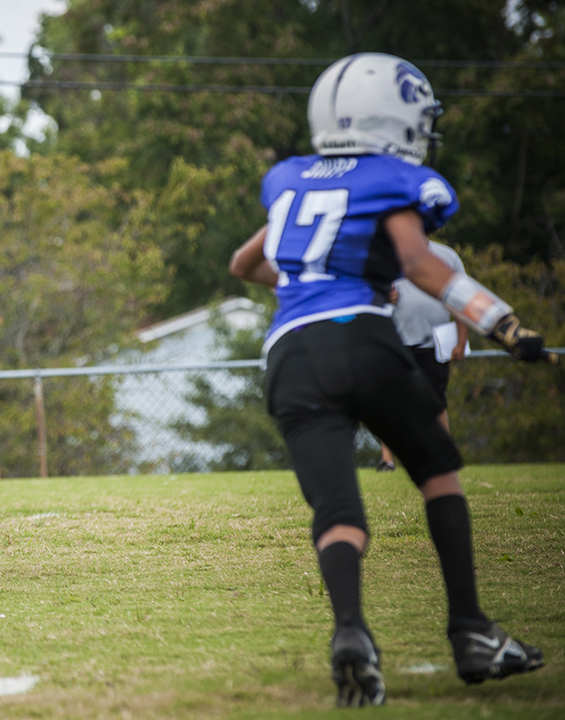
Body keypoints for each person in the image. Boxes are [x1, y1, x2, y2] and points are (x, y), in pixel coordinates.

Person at [228, 53, 549, 707]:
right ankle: (471, 630)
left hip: (289, 352)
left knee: (338, 510)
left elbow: (244, 263)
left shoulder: (290, 178)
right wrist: (504, 323)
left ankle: (352, 635)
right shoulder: (390, 177)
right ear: (398, 116)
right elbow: (420, 264)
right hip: (363, 338)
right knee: (436, 471)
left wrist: (305, 290)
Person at [378, 240, 469, 472]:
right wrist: (384, 297)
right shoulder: (385, 252)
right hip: (394, 341)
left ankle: (445, 453)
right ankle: (387, 461)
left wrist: (460, 341)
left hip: (433, 342)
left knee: (436, 400)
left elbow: (463, 301)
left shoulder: (447, 256)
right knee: (389, 402)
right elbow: (366, 293)